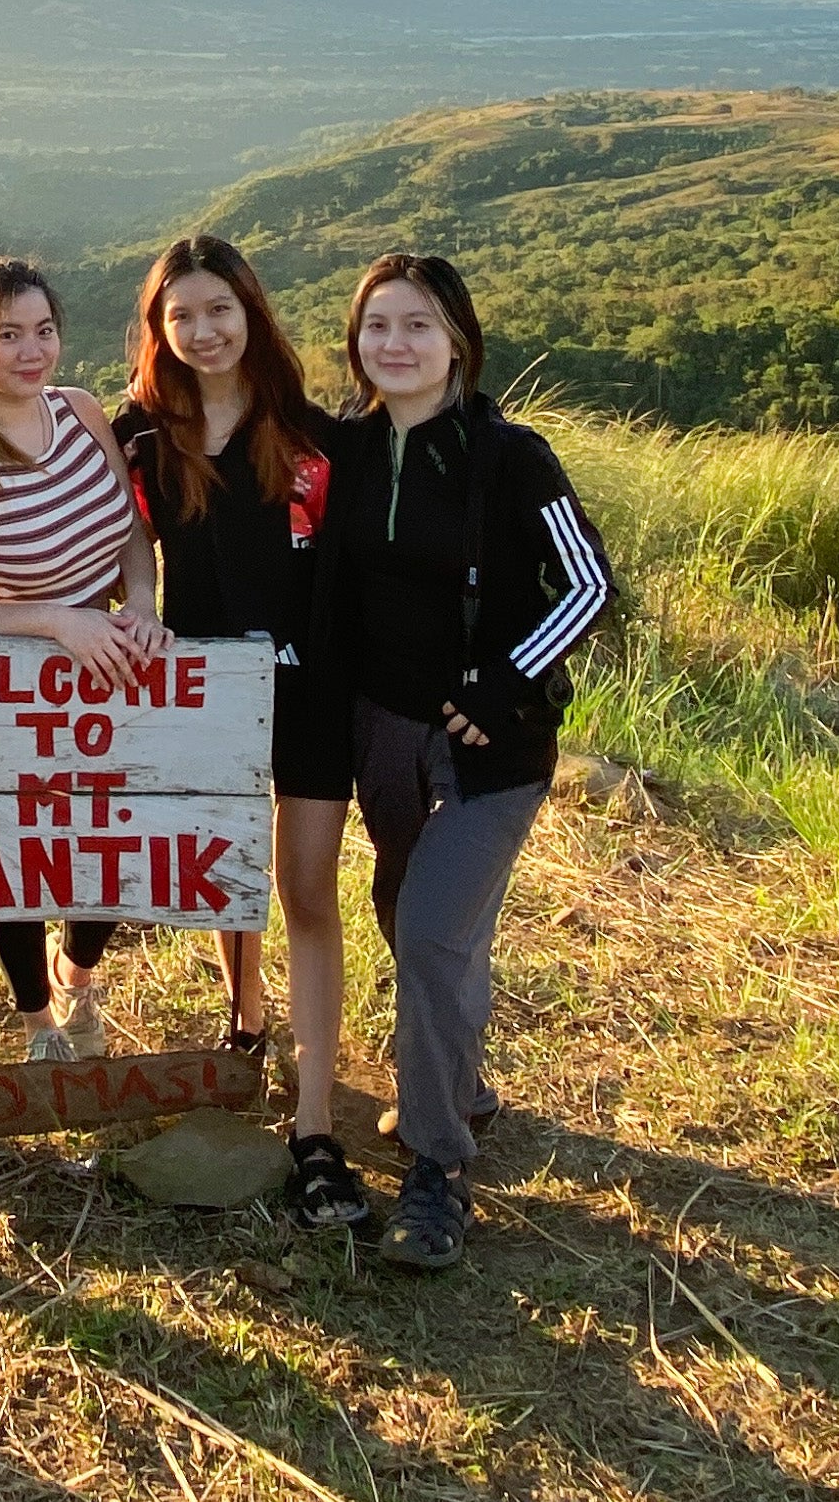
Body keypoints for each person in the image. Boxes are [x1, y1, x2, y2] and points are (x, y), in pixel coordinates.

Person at [316, 252, 611, 1270]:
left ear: (459, 341)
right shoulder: (344, 452)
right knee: (408, 913)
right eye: (376, 326)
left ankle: (438, 1170)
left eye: (417, 326)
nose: (393, 344)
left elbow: (587, 584)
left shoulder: (510, 455)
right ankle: (469, 1088)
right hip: (382, 740)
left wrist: (502, 684)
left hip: (494, 749)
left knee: (435, 932)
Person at [109, 235, 367, 1228]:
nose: (205, 330)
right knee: (229, 869)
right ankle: (246, 1018)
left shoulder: (310, 434)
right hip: (202, 686)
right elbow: (137, 542)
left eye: (221, 309)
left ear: (252, 313)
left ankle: (312, 1122)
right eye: (184, 315)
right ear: (159, 330)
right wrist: (137, 607)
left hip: (309, 683)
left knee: (306, 887)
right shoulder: (142, 434)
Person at [0, 256, 169, 1060]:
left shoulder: (82, 410)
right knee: (21, 852)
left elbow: (129, 526)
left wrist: (145, 602)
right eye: (8, 334)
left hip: (113, 658)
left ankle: (78, 974)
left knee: (113, 837)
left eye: (44, 330)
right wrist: (58, 622)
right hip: (14, 676)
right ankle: (36, 1023)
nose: (32, 350)